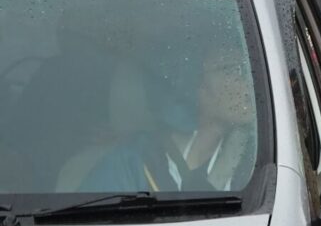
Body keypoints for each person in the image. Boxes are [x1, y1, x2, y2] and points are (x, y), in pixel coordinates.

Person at [80, 42, 257, 193]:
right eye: (231, 69)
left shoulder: (258, 158)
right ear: (198, 86)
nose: (248, 78)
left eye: (247, 66)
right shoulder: (133, 163)